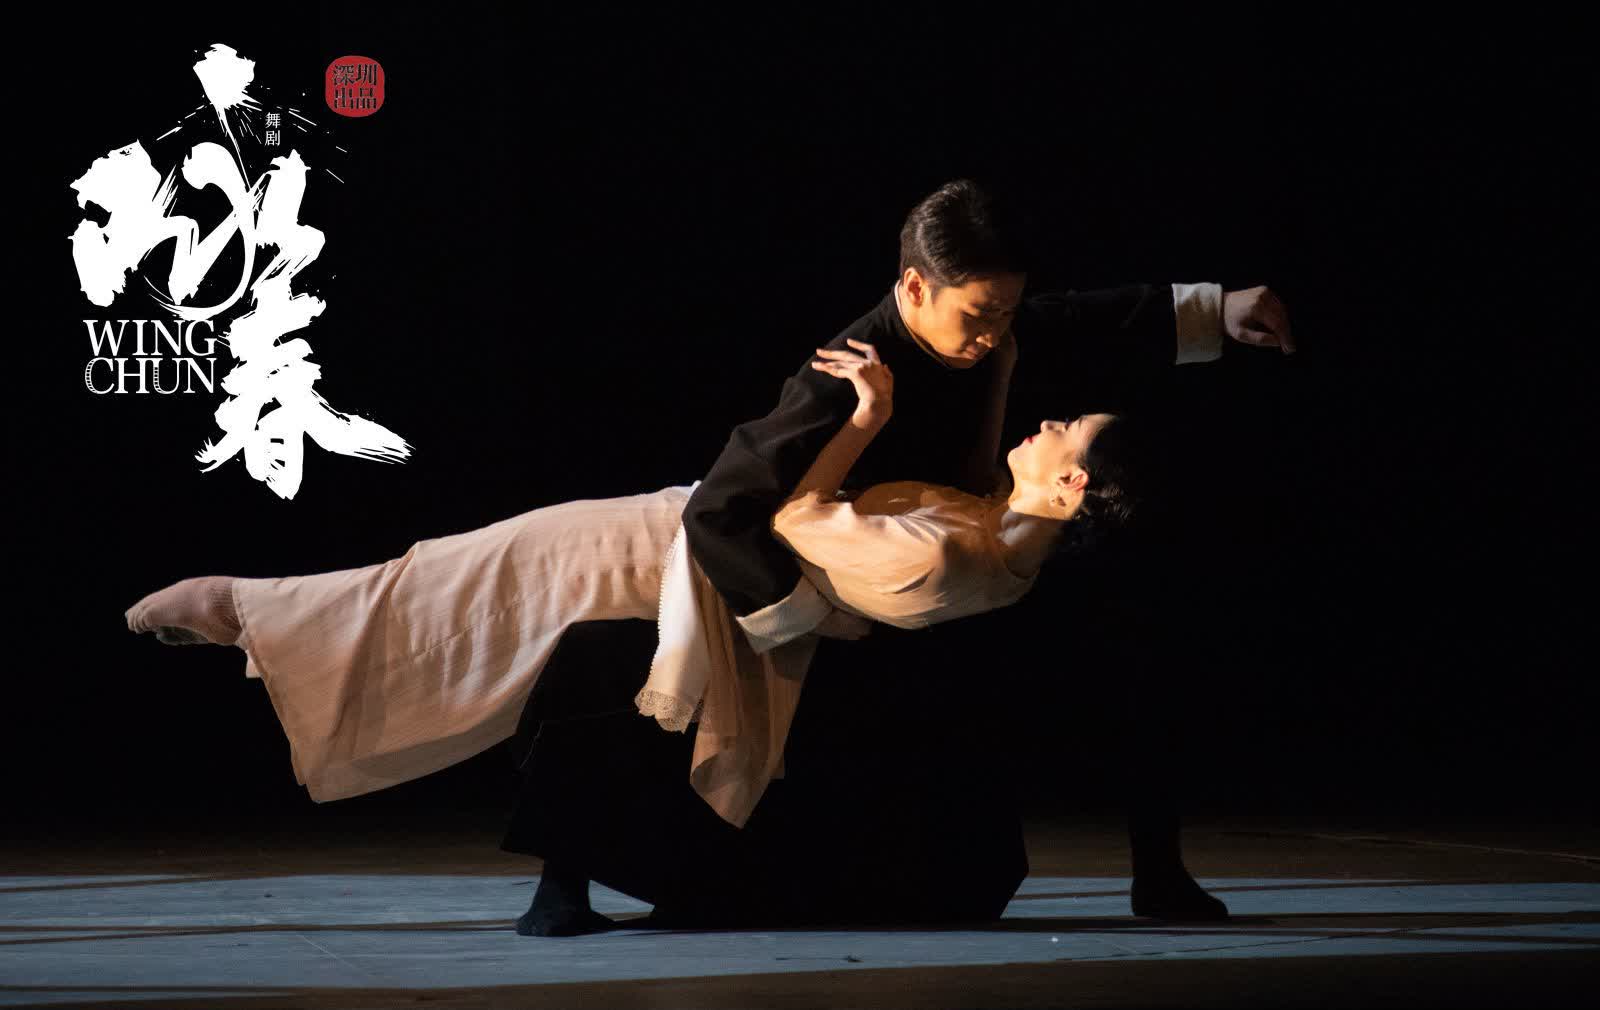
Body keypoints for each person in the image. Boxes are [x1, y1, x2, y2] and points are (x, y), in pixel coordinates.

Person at [123, 335, 1152, 933]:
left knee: (474, 590)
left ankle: (257, 610)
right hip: (697, 552)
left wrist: (865, 416)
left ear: (1071, 484)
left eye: (1065, 432)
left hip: (692, 563)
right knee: (475, 595)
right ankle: (270, 616)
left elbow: (796, 517)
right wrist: (1007, 361)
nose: (1047, 424)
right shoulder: (997, 531)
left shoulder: (953, 559)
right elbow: (978, 467)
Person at [507, 177, 1295, 934]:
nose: (996, 332)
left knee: (1131, 651)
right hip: (796, 583)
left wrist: (1213, 309)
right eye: (981, 313)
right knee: (608, 656)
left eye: (1005, 311)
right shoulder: (843, 374)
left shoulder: (986, 329)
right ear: (916, 288)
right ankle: (563, 880)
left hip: (943, 583)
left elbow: (1068, 319)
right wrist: (813, 615)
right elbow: (723, 510)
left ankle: (1159, 869)